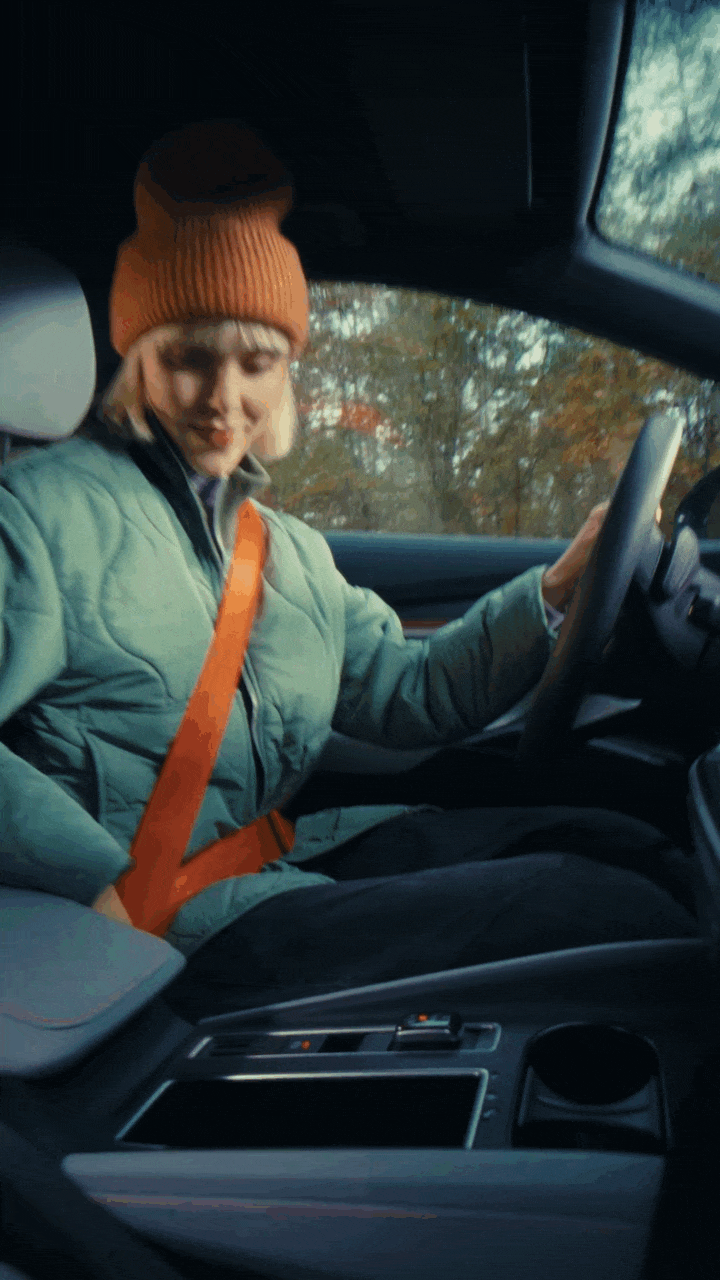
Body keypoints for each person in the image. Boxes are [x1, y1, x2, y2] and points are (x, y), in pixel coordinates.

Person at [0, 119, 698, 1021]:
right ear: (137, 362)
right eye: (186, 359)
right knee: (600, 908)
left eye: (256, 362)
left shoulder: (285, 552)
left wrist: (558, 591)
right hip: (160, 926)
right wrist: (95, 883)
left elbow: (412, 699)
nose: (223, 399)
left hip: (282, 857)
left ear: (288, 370)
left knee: (622, 845)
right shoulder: (39, 517)